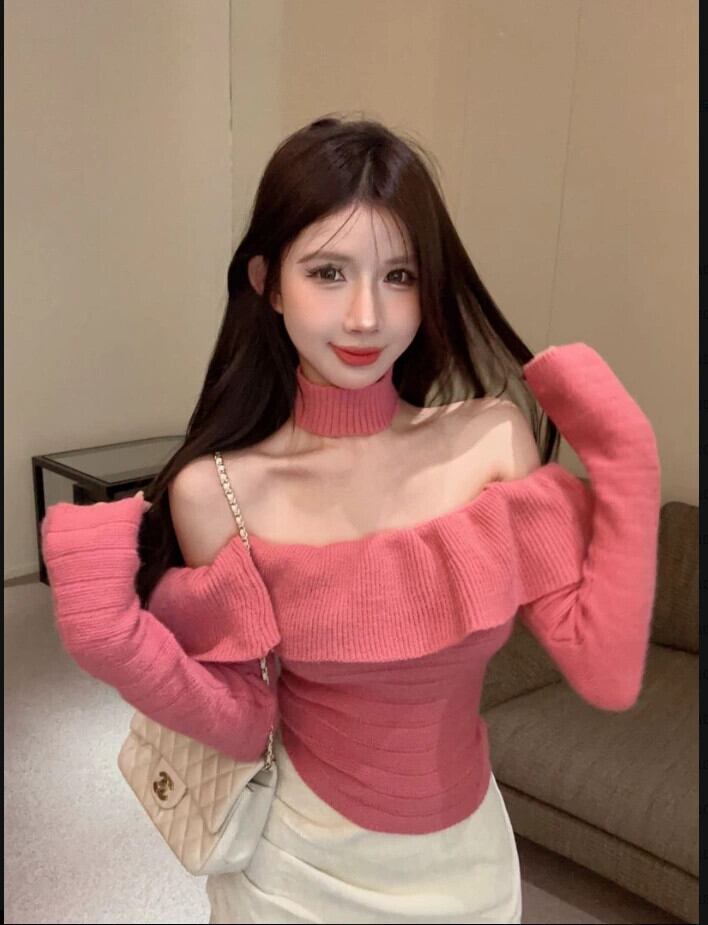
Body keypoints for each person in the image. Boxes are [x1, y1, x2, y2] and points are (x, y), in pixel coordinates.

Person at [40, 115, 661, 924]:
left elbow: (606, 671)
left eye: (399, 275)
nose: (367, 315)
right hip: (299, 875)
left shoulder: (490, 441)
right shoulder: (217, 489)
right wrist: (115, 644)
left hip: (470, 866)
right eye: (328, 272)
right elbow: (241, 720)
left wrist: (628, 459)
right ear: (269, 282)